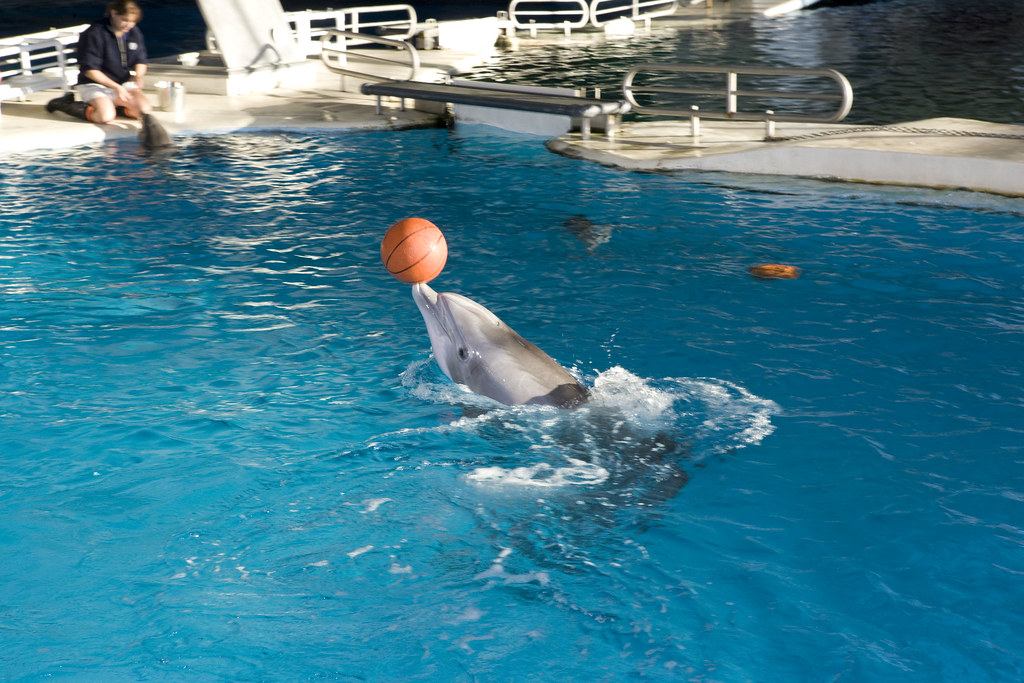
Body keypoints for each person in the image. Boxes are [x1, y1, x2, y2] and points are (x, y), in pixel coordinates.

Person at [47, 0, 154, 123]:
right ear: (113, 13)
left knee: (144, 111)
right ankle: (65, 104)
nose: (128, 25)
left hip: (122, 83)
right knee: (105, 116)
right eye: (125, 20)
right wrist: (116, 87)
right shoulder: (95, 33)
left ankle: (117, 108)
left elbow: (141, 60)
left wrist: (137, 76)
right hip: (95, 84)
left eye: (133, 21)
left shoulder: (133, 32)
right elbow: (90, 71)